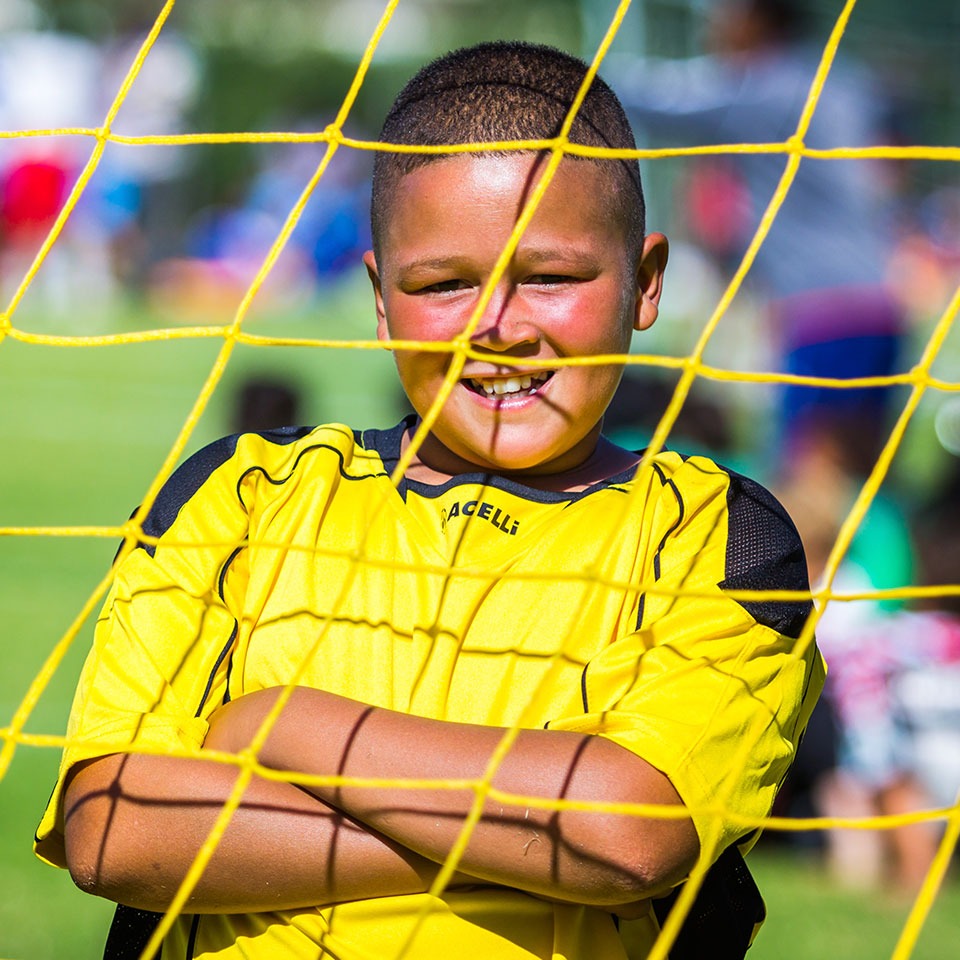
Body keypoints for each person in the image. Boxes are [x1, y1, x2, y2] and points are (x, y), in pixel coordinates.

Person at [35, 41, 824, 960]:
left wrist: (286, 726)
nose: (500, 325)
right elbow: (111, 826)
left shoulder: (713, 533)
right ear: (379, 299)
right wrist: (506, 839)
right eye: (444, 284)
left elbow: (626, 831)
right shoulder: (245, 496)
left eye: (552, 277)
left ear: (646, 283)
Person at [611, 0, 907, 455]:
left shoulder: (762, 89)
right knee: (862, 468)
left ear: (757, 18)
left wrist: (564, 77)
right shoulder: (841, 80)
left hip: (822, 314)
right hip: (881, 305)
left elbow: (661, 101)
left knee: (811, 476)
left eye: (724, 14)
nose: (714, 27)